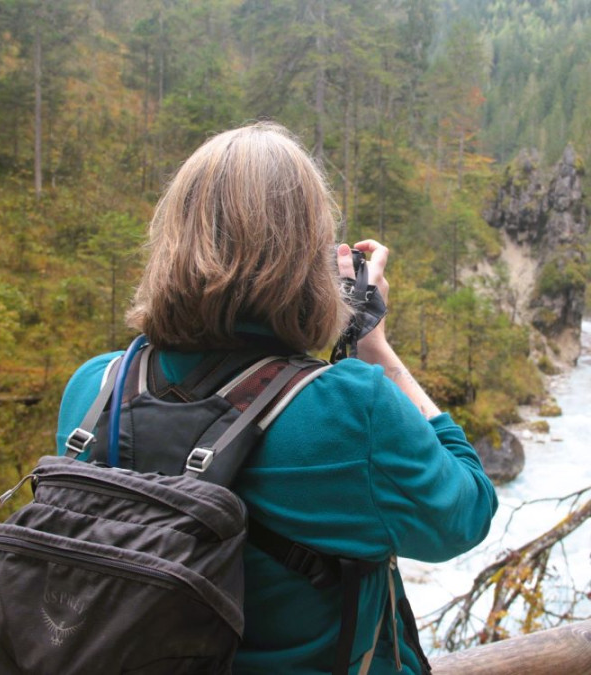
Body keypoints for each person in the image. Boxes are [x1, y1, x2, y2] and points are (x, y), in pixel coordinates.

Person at [55, 121, 498, 674]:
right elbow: (466, 511)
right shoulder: (347, 409)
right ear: (308, 256)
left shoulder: (94, 390)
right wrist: (374, 347)